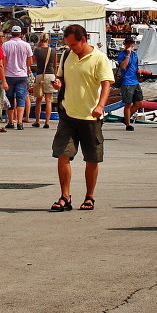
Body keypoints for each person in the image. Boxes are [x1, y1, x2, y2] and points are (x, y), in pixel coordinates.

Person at [49, 24, 113, 212]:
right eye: (68, 45)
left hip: (90, 116)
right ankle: (65, 196)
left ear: (83, 40)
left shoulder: (99, 58)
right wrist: (58, 83)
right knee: (63, 155)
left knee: (91, 158)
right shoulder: (67, 56)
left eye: (73, 44)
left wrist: (101, 105)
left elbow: (106, 84)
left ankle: (89, 197)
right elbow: (61, 77)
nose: (71, 48)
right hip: (68, 114)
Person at [2, 24, 34, 130]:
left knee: (10, 98)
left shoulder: (5, 45)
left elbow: (4, 62)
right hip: (22, 75)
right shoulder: (26, 45)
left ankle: (11, 121)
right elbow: (30, 61)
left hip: (9, 75)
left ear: (11, 33)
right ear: (20, 34)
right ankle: (20, 122)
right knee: (21, 98)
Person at [31, 33, 58, 128]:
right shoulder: (53, 50)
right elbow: (55, 65)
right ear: (48, 40)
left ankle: (37, 121)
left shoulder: (37, 50)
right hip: (50, 75)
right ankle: (47, 122)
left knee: (38, 99)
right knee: (48, 100)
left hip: (39, 75)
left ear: (40, 40)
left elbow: (32, 61)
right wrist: (54, 75)